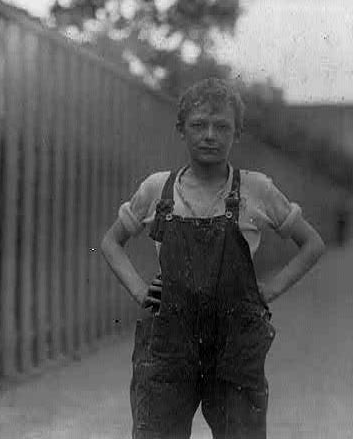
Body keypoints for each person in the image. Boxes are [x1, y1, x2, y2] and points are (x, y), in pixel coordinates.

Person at [101, 78, 326, 439]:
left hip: (234, 347)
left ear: (236, 134)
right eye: (198, 125)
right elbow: (111, 242)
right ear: (181, 130)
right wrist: (141, 292)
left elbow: (312, 244)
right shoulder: (158, 189)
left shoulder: (257, 189)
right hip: (169, 348)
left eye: (222, 126)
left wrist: (266, 292)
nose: (210, 135)